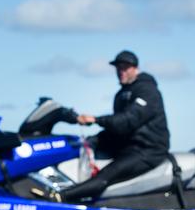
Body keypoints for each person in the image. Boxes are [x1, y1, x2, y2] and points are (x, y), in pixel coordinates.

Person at [56, 50, 170, 202]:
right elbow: (118, 129)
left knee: (107, 174)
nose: (121, 71)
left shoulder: (148, 91)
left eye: (125, 67)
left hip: (148, 151)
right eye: (118, 68)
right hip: (126, 148)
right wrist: (92, 141)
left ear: (135, 68)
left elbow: (128, 120)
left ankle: (58, 198)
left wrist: (95, 119)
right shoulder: (121, 95)